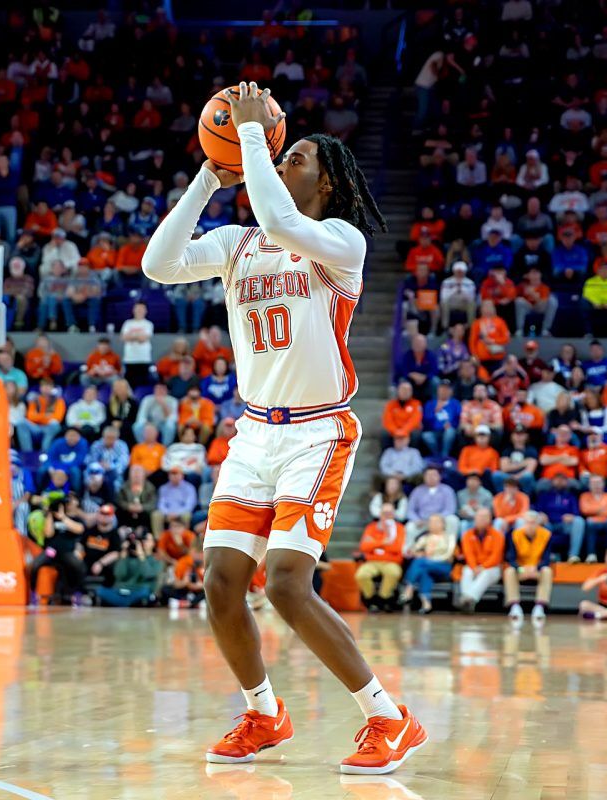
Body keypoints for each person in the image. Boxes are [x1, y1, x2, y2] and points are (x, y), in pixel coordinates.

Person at [141, 82, 426, 773]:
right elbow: (158, 265)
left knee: (289, 584)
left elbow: (277, 210)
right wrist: (211, 175)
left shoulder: (337, 243)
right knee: (218, 583)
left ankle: (389, 718)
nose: (277, 154)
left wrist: (245, 134)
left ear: (324, 179)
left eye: (293, 154)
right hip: (254, 435)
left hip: (318, 433)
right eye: (279, 150)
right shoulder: (238, 243)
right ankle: (264, 712)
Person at [503, 511, 554, 623]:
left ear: (538, 524)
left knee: (547, 571)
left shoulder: (546, 535)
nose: (530, 526)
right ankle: (514, 606)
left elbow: (546, 559)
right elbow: (511, 558)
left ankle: (540, 606)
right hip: (521, 570)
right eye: (527, 523)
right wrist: (521, 568)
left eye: (533, 523)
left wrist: (537, 567)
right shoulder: (515, 535)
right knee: (509, 571)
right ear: (523, 524)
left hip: (537, 569)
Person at [400, 513, 457, 614]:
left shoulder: (449, 537)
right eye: (431, 522)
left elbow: (448, 555)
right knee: (424, 572)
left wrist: (428, 558)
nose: (433, 524)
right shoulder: (425, 537)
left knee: (421, 562)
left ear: (443, 524)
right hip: (426, 566)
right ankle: (426, 603)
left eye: (436, 522)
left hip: (443, 567)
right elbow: (413, 550)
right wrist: (418, 553)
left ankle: (409, 588)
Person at [355, 502, 406, 611]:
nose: (387, 515)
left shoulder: (400, 528)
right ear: (380, 514)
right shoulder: (371, 527)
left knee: (393, 573)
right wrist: (384, 542)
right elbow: (364, 547)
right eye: (384, 513)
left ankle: (383, 598)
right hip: (371, 562)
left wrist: (374, 544)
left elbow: (398, 548)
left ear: (394, 514)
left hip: (391, 562)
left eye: (390, 513)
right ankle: (370, 599)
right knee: (361, 575)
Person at [455, 508, 505, 611]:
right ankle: (469, 602)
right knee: (467, 571)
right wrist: (474, 567)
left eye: (485, 517)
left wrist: (483, 567)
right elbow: (468, 554)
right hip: (474, 566)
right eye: (479, 516)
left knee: (486, 573)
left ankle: (466, 599)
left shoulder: (498, 536)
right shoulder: (467, 535)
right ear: (475, 518)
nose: (482, 519)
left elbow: (496, 557)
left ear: (490, 519)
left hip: (492, 568)